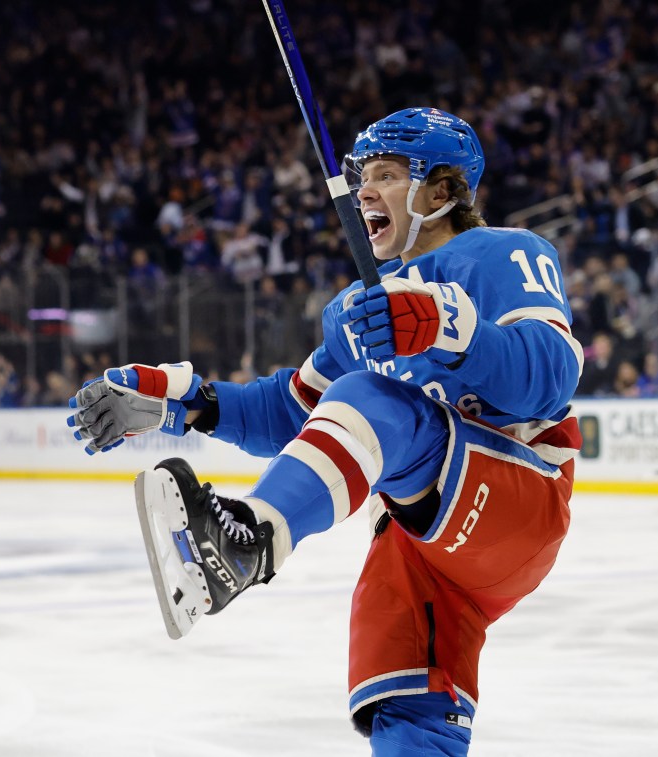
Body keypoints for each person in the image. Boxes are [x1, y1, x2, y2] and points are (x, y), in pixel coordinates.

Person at [67, 108, 583, 755]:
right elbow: (290, 412)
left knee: (370, 395)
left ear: (441, 192)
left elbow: (550, 375)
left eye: (387, 175)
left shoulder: (503, 253)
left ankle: (250, 540)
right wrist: (185, 402)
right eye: (363, 178)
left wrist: (450, 329)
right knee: (410, 711)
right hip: (417, 548)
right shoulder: (360, 311)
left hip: (514, 497)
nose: (365, 191)